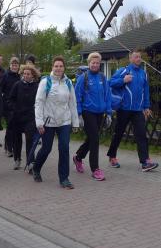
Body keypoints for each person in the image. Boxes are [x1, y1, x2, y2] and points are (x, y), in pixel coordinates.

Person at [106, 49, 159, 171]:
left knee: (141, 134)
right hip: (123, 109)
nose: (138, 59)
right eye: (136, 57)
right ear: (130, 58)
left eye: (139, 57)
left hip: (138, 110)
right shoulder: (124, 70)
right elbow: (110, 83)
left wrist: (146, 107)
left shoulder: (143, 73)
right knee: (118, 133)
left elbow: (146, 91)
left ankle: (145, 162)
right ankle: (112, 156)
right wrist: (123, 80)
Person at [32, 56, 79, 189]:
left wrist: (75, 122)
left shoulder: (68, 83)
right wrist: (39, 122)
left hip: (64, 121)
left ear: (64, 68)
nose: (58, 68)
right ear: (52, 67)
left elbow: (72, 103)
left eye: (61, 66)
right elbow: (39, 103)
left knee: (64, 148)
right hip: (48, 121)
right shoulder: (45, 82)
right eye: (56, 66)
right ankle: (36, 168)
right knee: (46, 149)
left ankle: (64, 178)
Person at [73, 52, 113, 181]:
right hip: (87, 112)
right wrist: (79, 114)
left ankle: (78, 157)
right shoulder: (83, 78)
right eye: (93, 62)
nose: (95, 65)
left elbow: (107, 95)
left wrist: (109, 113)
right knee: (95, 139)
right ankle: (95, 169)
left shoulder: (102, 77)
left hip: (100, 113)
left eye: (97, 63)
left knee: (91, 138)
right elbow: (77, 97)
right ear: (89, 63)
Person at [7, 63, 40, 171]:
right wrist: (14, 108)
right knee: (17, 139)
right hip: (17, 116)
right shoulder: (17, 85)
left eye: (28, 74)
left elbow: (40, 101)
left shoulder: (37, 86)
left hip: (30, 117)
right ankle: (17, 159)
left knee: (30, 139)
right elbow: (10, 99)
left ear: (33, 75)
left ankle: (30, 162)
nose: (25, 76)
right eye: (24, 74)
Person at [0, 57, 21, 158]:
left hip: (19, 105)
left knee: (16, 127)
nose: (14, 67)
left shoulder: (21, 76)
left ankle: (12, 145)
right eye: (13, 65)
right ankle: (9, 148)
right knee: (10, 126)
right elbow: (0, 89)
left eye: (16, 65)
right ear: (10, 65)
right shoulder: (5, 76)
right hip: (8, 105)